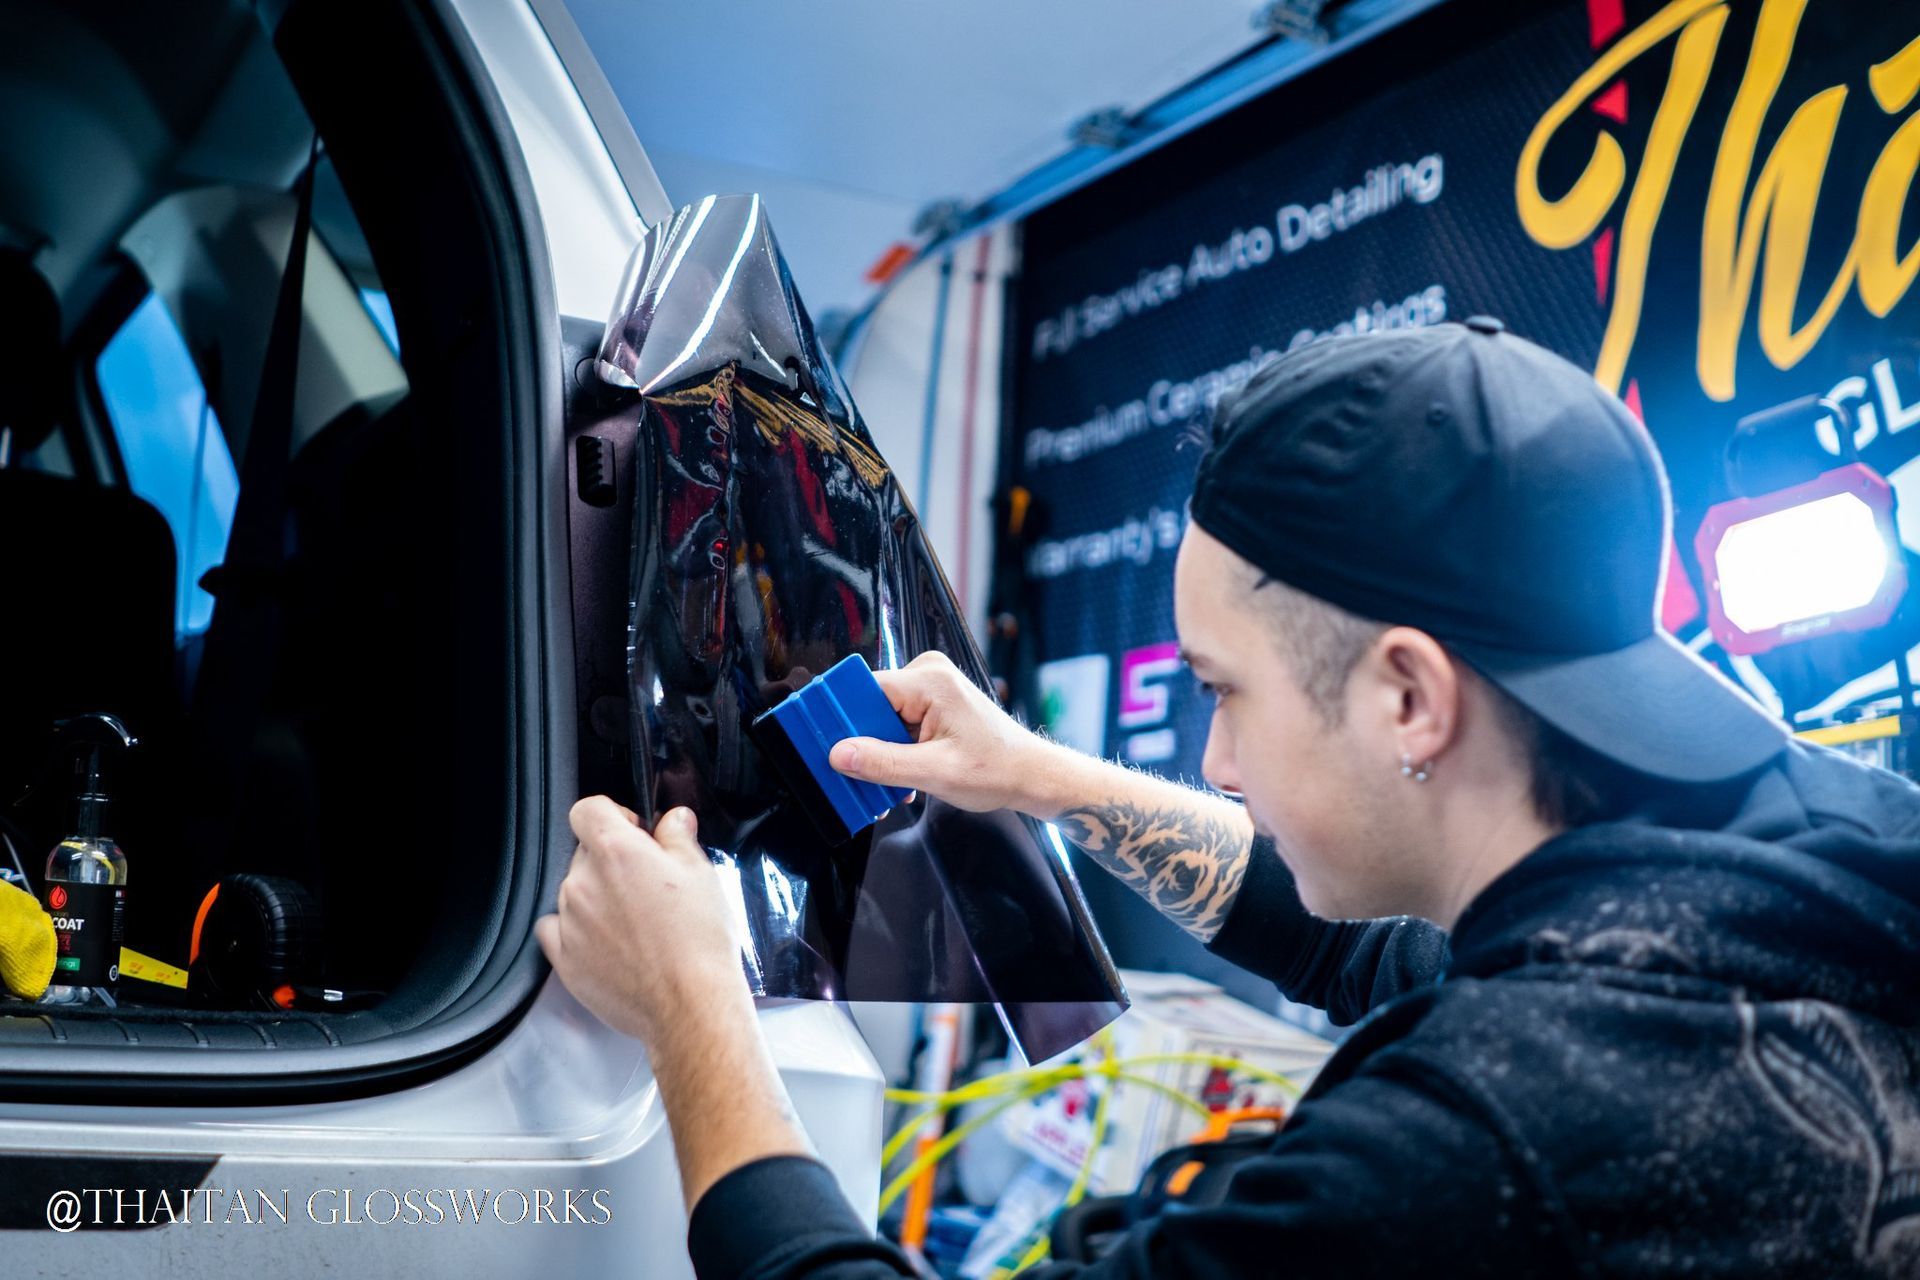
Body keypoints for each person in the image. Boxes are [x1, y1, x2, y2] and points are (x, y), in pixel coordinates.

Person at [537, 319, 1920, 1278]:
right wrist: (1039, 774)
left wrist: (692, 1015)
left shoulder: (1481, 1140)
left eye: (1223, 691)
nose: (1214, 760)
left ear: (1408, 701)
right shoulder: (1818, 855)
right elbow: (1360, 947)